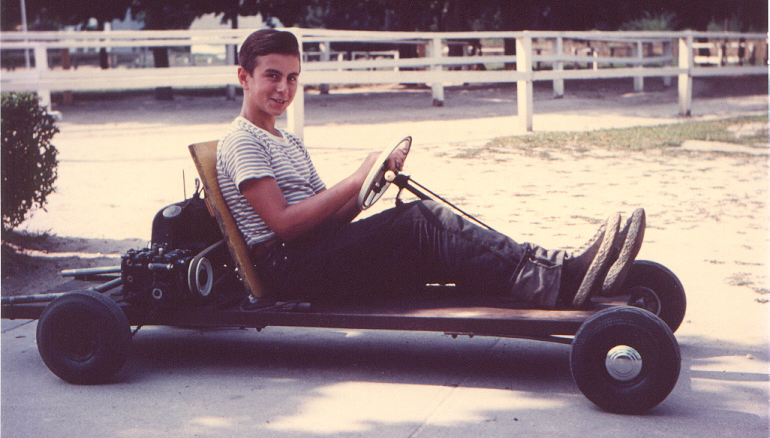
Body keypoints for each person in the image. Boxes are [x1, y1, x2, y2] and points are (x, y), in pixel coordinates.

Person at [217, 29, 645, 309]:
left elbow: (332, 218)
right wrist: (354, 176)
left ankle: (557, 272)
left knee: (434, 237)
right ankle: (557, 279)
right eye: (272, 76)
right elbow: (287, 226)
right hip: (290, 270)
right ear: (244, 77)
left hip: (313, 252)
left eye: (292, 78)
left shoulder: (287, 141)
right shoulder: (242, 141)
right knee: (422, 221)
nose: (283, 89)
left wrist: (369, 184)